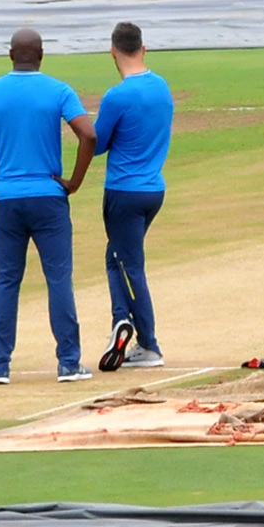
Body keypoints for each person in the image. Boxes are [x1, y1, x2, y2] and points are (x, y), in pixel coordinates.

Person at [0, 28, 98, 385]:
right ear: (41, 55)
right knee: (58, 278)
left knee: (7, 281)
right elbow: (88, 135)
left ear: (10, 54)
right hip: (48, 196)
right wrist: (74, 182)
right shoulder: (58, 90)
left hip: (6, 199)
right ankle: (68, 362)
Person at [92, 22, 174, 372]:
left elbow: (96, 144)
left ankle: (147, 342)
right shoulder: (162, 88)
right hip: (153, 190)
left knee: (129, 264)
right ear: (144, 49)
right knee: (116, 258)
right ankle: (121, 321)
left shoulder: (117, 96)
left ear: (113, 52)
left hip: (124, 191)